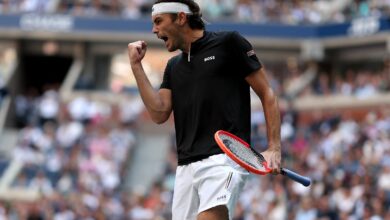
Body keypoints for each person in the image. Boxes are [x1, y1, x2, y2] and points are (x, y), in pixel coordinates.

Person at [127, 0, 282, 219]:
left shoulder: (230, 43)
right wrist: (136, 67)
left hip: (225, 160)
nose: (154, 30)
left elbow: (267, 93)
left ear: (181, 18)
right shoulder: (173, 66)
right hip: (185, 169)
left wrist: (274, 147)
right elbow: (159, 113)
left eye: (159, 21)